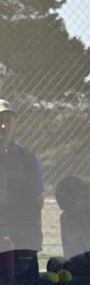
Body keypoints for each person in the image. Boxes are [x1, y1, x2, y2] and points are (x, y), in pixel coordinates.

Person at [0, 99, 44, 254]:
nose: (4, 126)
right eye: (0, 120)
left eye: (8, 120)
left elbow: (38, 201)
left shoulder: (27, 158)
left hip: (21, 234)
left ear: (15, 124)